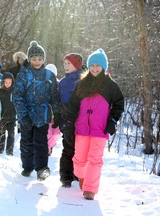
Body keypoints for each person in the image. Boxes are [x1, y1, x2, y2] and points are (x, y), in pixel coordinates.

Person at [63, 49, 124, 200]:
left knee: (95, 159)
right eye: (92, 65)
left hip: (100, 129)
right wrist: (70, 125)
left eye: (98, 65)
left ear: (104, 67)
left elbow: (118, 104)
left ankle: (90, 189)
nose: (95, 68)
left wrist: (112, 120)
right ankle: (82, 177)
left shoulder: (110, 86)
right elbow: (72, 106)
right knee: (79, 158)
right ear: (88, 66)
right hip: (81, 129)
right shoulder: (81, 84)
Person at [13, 41, 61, 181]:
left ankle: (41, 169)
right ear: (29, 59)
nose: (37, 61)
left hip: (43, 115)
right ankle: (27, 167)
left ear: (43, 59)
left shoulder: (49, 76)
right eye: (34, 59)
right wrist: (23, 116)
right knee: (27, 142)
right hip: (27, 115)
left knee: (41, 143)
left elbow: (54, 96)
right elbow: (17, 97)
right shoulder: (23, 75)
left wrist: (57, 112)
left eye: (40, 59)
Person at [58, 53, 83, 188]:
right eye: (65, 64)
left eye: (69, 64)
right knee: (67, 148)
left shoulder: (83, 80)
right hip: (66, 120)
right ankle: (65, 177)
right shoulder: (62, 82)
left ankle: (77, 174)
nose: (66, 66)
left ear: (76, 65)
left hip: (80, 121)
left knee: (79, 149)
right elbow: (59, 101)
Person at [0, 72, 16, 155]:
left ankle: (9, 151)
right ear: (3, 82)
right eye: (6, 82)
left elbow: (19, 103)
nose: (8, 84)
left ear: (12, 82)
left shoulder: (15, 91)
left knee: (11, 134)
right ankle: (0, 150)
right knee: (2, 134)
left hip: (12, 117)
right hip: (2, 117)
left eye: (9, 82)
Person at [45, 64, 61, 156]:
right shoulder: (42, 84)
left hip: (56, 113)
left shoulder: (59, 85)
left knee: (55, 134)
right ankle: (46, 150)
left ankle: (49, 146)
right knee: (48, 133)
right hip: (45, 113)